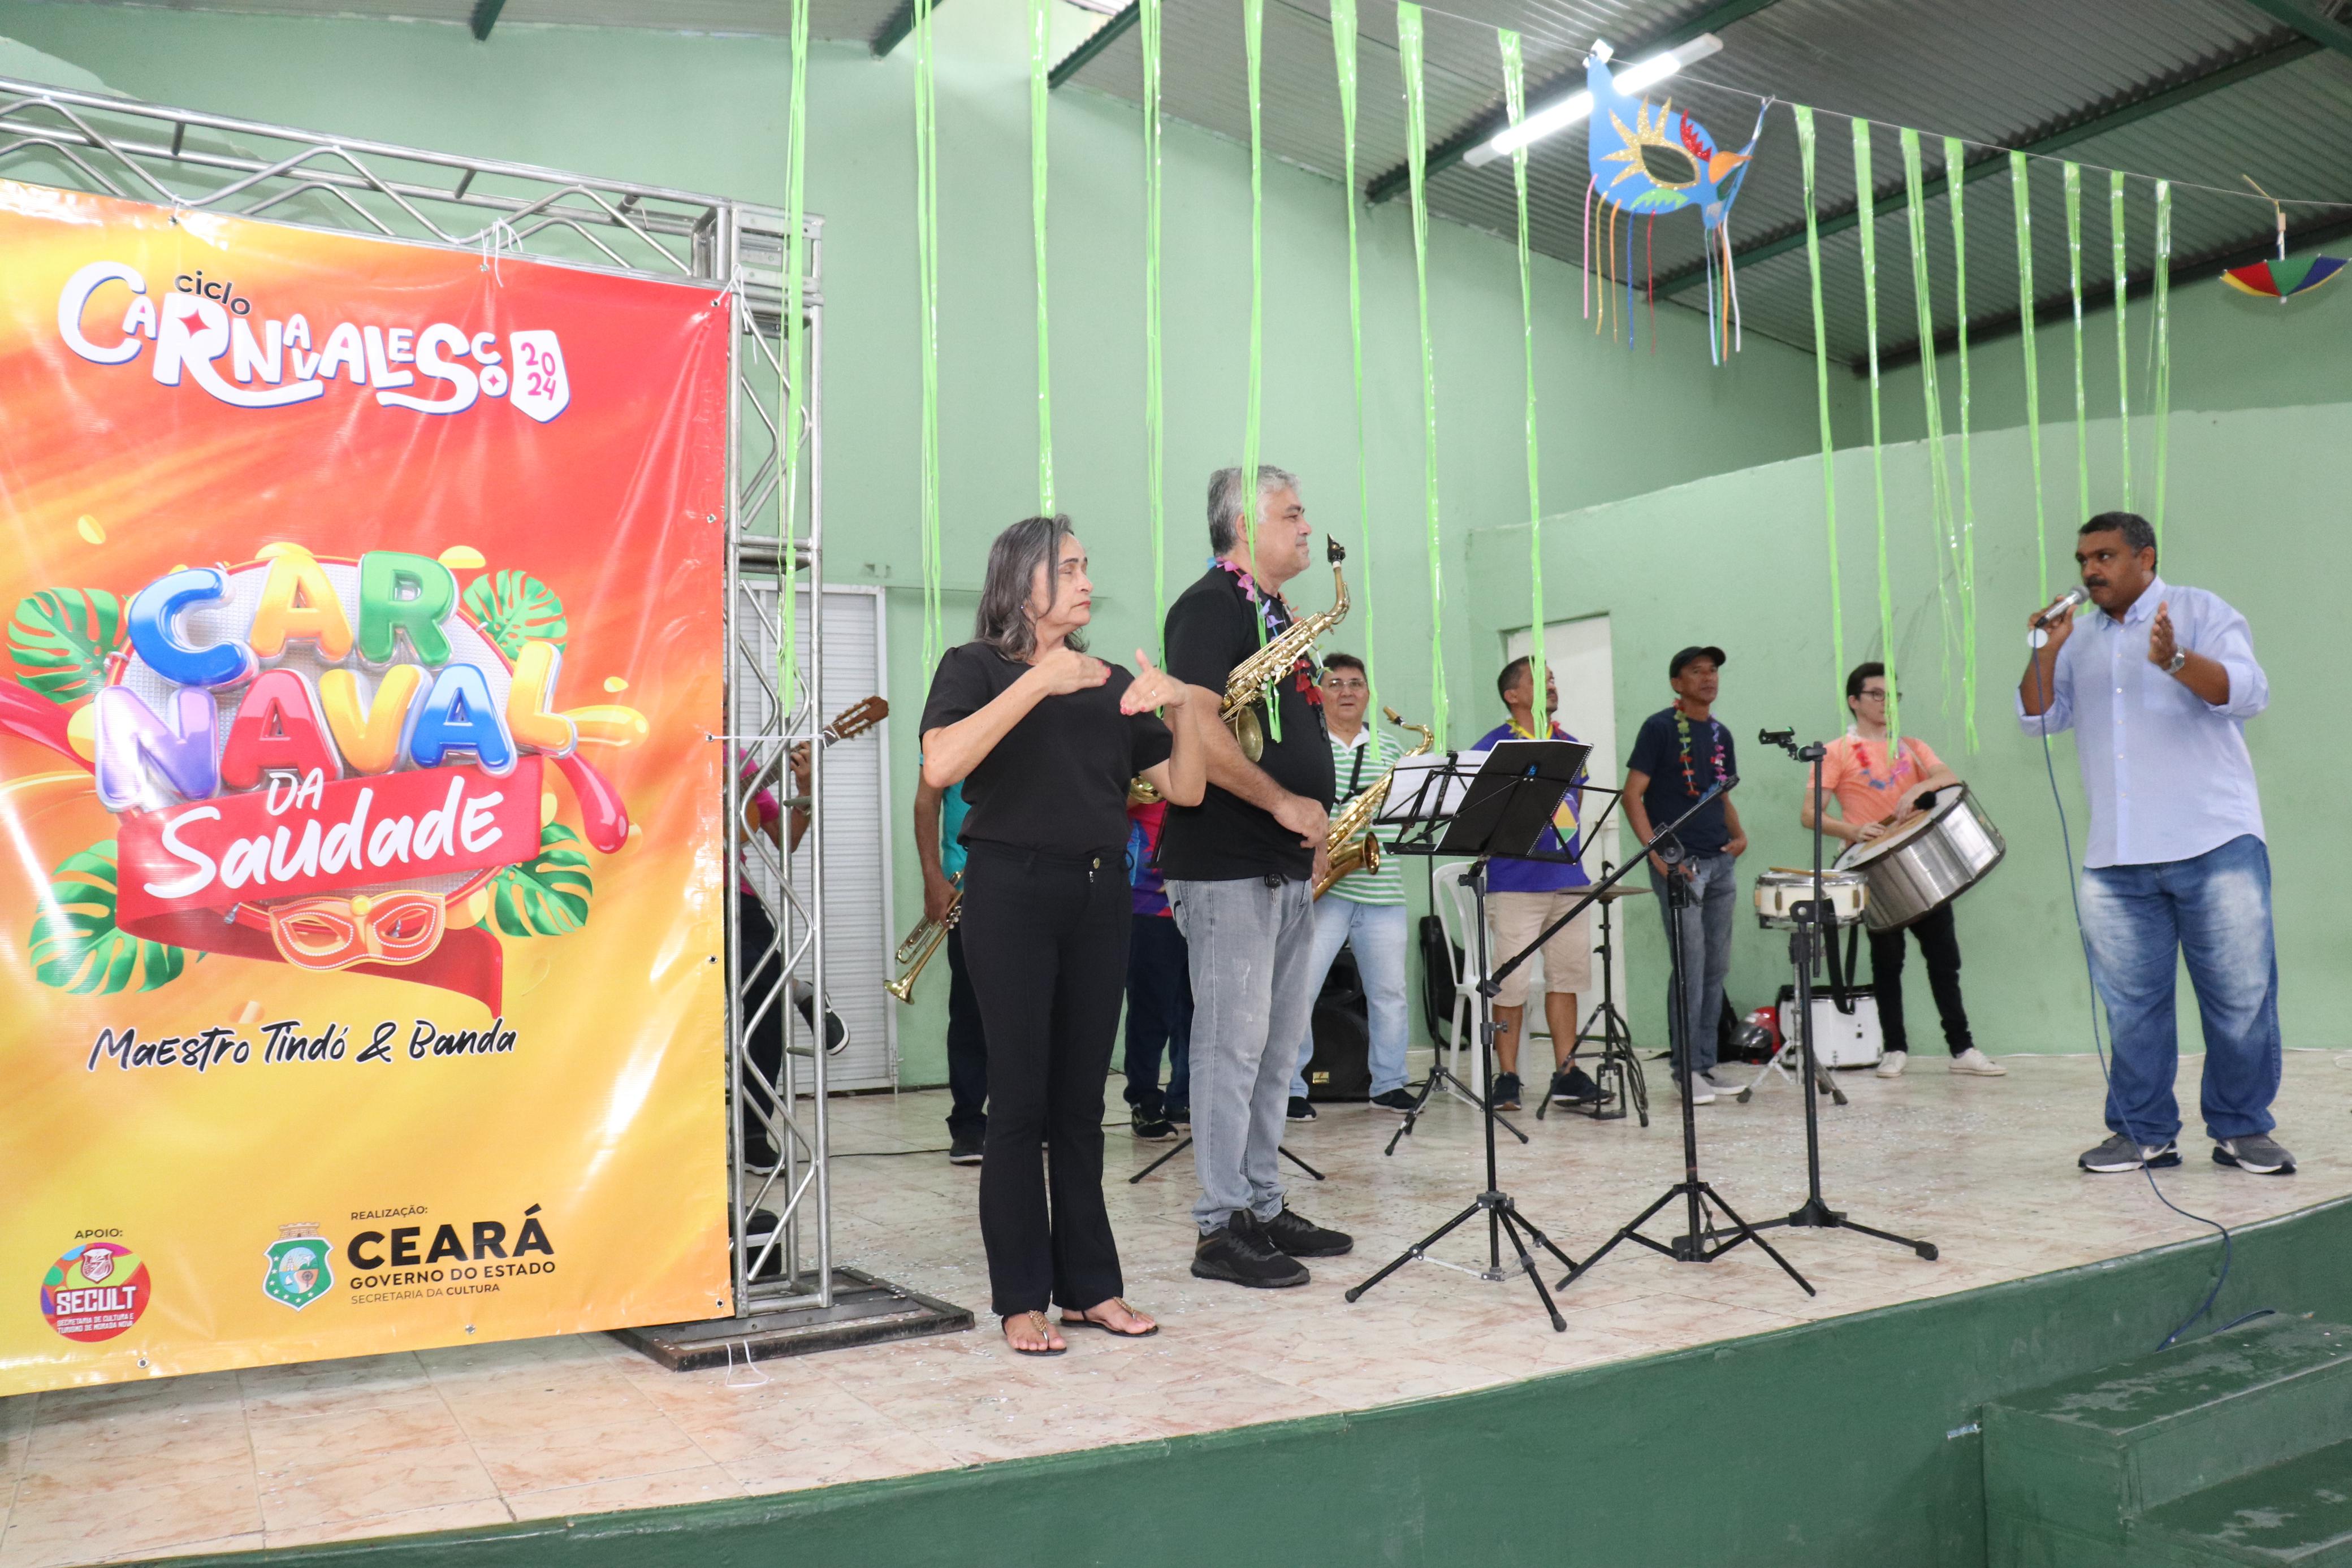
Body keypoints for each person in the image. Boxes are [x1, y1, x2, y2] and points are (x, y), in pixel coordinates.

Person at [918, 514, 1209, 1355]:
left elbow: (1186, 789)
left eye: (1087, 566)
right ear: (1023, 583)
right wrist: (1040, 680)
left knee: (1081, 1102)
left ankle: (1090, 1288)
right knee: (1019, 1100)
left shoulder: (1110, 678)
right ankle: (1020, 1297)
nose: (1087, 581)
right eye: (1070, 568)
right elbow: (940, 765)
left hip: (1099, 891)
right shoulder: (973, 666)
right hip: (1009, 889)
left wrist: (1183, 705)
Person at [2018, 512, 2287, 1177]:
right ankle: (2141, 1132)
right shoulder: (2077, 638)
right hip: (2115, 856)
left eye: (2104, 556)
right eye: (2082, 559)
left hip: (2213, 841)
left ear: (2145, 558)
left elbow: (2248, 692)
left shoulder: (2199, 611)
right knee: (2131, 1009)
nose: (2089, 571)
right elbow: (2037, 718)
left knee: (2239, 998)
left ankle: (2241, 1128)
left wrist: (2175, 660)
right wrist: (2044, 651)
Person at [1161, 464, 1354, 1290]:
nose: (1308, 527)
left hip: (1284, 863)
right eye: (1292, 514)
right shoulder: (1209, 607)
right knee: (1229, 1048)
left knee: (1277, 1050)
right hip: (1226, 864)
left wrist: (1314, 834)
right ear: (1246, 524)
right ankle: (1220, 1225)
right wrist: (1282, 802)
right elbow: (1198, 730)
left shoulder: (1276, 617)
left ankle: (1263, 1204)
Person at [1801, 662, 2007, 1080]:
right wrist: (1853, 831)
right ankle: (1894, 1048)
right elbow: (1810, 815)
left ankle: (1962, 1048)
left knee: (1944, 960)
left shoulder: (1911, 747)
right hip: (1874, 868)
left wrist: (1920, 786)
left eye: (1891, 695)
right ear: (1854, 701)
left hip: (1924, 864)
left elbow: (1946, 777)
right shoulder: (1836, 751)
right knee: (1887, 962)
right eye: (1876, 695)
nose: (1886, 703)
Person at [1471, 656, 1609, 1112]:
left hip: (1567, 880)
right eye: (1539, 679)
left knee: (1566, 978)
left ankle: (1566, 1073)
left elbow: (1576, 803)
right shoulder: (1495, 746)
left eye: (1552, 678)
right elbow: (1480, 811)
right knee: (1510, 983)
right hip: (1516, 882)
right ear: (1512, 695)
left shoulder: (1567, 743)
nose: (1551, 684)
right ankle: (1507, 1076)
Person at [1285, 653, 1416, 1117]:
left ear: (1368, 693)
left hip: (1382, 888)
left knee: (1390, 994)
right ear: (1318, 692)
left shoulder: (1392, 748)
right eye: (1335, 683)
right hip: (1323, 886)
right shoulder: (1306, 743)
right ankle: (1290, 1090)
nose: (1346, 691)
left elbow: (1405, 817)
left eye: (1356, 683)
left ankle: (1389, 1083)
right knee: (1299, 992)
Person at [1622, 646, 1748, 1104]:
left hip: (1720, 862)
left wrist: (1739, 835)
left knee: (1716, 968)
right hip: (1681, 866)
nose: (1708, 678)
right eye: (1697, 671)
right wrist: (1656, 852)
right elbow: (1632, 795)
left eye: (1713, 671)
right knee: (1691, 968)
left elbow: (1722, 795)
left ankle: (1705, 1065)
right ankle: (1685, 1070)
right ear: (1677, 682)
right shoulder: (1659, 728)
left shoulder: (1720, 734)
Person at [913, 776, 989, 1163]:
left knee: (1040, 1011)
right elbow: (926, 803)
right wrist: (933, 879)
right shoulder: (948, 735)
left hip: (1034, 885)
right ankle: (969, 1124)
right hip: (968, 890)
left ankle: (1036, 1118)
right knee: (970, 1013)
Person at [1122, 789, 1192, 1139]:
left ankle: (1184, 1096)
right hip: (1147, 900)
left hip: (1198, 893)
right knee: (1151, 1009)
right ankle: (1145, 1100)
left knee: (1197, 1009)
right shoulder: (1139, 757)